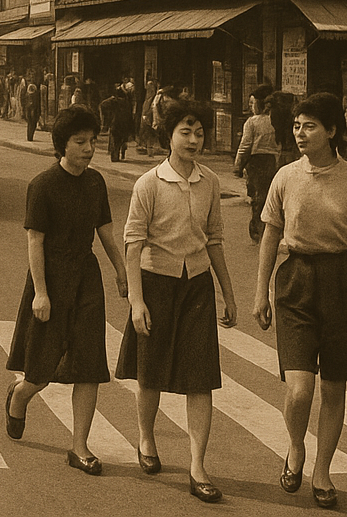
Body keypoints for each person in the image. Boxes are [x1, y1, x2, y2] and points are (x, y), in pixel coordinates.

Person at [252, 92, 347, 511]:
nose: (300, 133)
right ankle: (296, 447)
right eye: (296, 125)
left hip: (340, 281)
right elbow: (270, 234)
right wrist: (260, 291)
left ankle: (323, 471)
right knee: (299, 390)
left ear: (332, 131)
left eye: (309, 125)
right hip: (295, 280)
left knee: (334, 386)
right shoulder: (284, 176)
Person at [118, 97, 237, 503]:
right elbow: (133, 245)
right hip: (156, 283)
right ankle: (146, 438)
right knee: (150, 371)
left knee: (200, 376)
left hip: (197, 285)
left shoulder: (211, 183)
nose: (193, 139)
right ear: (168, 136)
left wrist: (227, 293)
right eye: (184, 132)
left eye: (199, 132)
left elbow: (216, 239)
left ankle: (198, 465)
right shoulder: (148, 183)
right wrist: (137, 302)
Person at [4, 106, 129, 476]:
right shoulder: (42, 186)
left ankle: (79, 447)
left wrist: (121, 272)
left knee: (90, 366)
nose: (89, 148)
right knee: (40, 369)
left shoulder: (95, 183)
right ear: (62, 145)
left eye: (92, 141)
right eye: (80, 142)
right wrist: (41, 293)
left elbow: (105, 230)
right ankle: (19, 395)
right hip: (52, 280)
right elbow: (35, 241)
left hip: (86, 278)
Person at [234, 85, 279, 243]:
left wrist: (238, 165)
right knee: (273, 195)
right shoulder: (277, 120)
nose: (250, 106)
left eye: (252, 103)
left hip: (257, 161)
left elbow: (245, 145)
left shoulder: (252, 122)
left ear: (258, 104)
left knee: (258, 196)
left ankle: (258, 229)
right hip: (275, 160)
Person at [22, 74, 41, 143]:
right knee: (32, 123)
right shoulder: (34, 92)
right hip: (33, 110)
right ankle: (30, 137)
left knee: (30, 124)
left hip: (28, 109)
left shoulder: (28, 91)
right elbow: (35, 102)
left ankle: (29, 137)